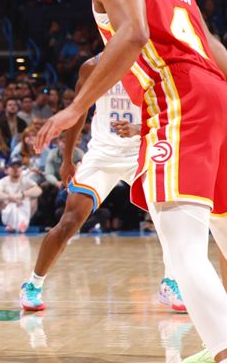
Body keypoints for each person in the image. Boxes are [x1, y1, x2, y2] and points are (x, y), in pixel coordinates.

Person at [35, 0, 227, 363]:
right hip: (215, 95)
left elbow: (135, 33)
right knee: (224, 235)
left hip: (178, 98)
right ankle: (219, 341)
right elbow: (216, 53)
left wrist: (74, 107)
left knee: (181, 245)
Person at [21, 57, 185, 311]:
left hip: (142, 150)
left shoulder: (154, 63)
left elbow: (171, 111)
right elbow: (78, 111)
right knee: (69, 222)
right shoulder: (91, 67)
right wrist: (67, 159)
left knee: (169, 222)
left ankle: (170, 282)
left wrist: (139, 127)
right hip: (102, 153)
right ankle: (33, 283)